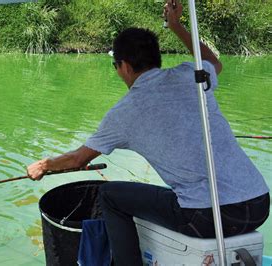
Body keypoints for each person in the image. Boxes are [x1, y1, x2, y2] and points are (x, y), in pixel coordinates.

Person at [26, 1, 270, 265]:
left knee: (110, 196)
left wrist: (44, 165)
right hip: (258, 204)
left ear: (125, 66)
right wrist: (176, 26)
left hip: (207, 218)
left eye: (115, 66)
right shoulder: (191, 74)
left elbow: (77, 160)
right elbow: (212, 62)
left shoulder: (124, 112)